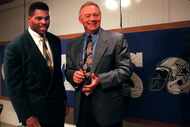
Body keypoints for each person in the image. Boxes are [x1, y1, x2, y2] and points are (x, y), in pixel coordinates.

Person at [65, 1, 133, 127]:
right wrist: (73, 75)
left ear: (100, 16)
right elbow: (68, 70)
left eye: (96, 15)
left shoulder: (117, 39)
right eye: (88, 16)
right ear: (80, 19)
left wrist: (100, 80)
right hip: (82, 107)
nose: (92, 19)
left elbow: (126, 69)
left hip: (108, 109)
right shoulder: (73, 44)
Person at [4, 1, 66, 127]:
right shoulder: (15, 47)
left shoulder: (55, 41)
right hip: (34, 116)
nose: (44, 22)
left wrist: (64, 101)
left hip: (57, 111)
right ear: (29, 19)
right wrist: (26, 116)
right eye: (39, 18)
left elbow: (57, 76)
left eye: (46, 18)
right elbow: (14, 87)